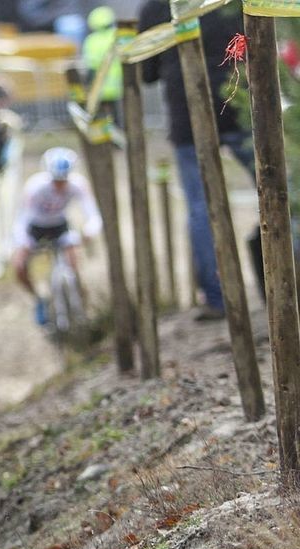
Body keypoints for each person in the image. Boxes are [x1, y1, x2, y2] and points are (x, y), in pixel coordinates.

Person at [139, 0, 257, 320]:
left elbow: (147, 73)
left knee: (200, 209)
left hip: (188, 114)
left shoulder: (155, 7)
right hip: (240, 105)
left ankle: (218, 299)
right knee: (278, 188)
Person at [11, 148, 102, 327]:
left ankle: (82, 302)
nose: (60, 185)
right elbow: (21, 218)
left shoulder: (78, 185)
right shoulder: (35, 187)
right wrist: (23, 243)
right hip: (34, 228)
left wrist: (90, 230)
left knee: (74, 262)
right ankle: (39, 299)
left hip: (59, 225)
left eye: (64, 180)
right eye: (56, 181)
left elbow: (92, 213)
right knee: (19, 267)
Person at [81, 6, 122, 121]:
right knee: (117, 118)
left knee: (101, 119)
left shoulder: (92, 41)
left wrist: (88, 86)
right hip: (119, 87)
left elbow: (91, 67)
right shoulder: (118, 36)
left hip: (99, 88)